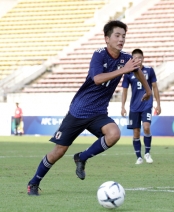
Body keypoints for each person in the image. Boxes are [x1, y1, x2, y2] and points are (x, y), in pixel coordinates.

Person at [27, 20, 152, 196]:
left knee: (114, 133)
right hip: (79, 111)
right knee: (59, 151)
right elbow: (97, 78)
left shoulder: (125, 58)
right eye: (117, 35)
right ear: (107, 38)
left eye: (124, 36)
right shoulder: (99, 54)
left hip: (98, 113)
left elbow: (137, 70)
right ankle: (33, 182)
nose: (121, 39)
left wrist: (147, 91)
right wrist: (123, 70)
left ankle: (82, 157)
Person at [121, 49, 161, 165]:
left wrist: (158, 104)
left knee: (146, 127)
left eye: (140, 57)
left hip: (147, 105)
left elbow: (155, 87)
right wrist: (122, 106)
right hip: (134, 106)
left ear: (143, 58)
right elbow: (124, 90)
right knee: (136, 132)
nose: (137, 60)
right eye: (135, 58)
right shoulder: (128, 72)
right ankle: (138, 157)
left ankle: (147, 153)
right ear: (132, 59)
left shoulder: (149, 70)